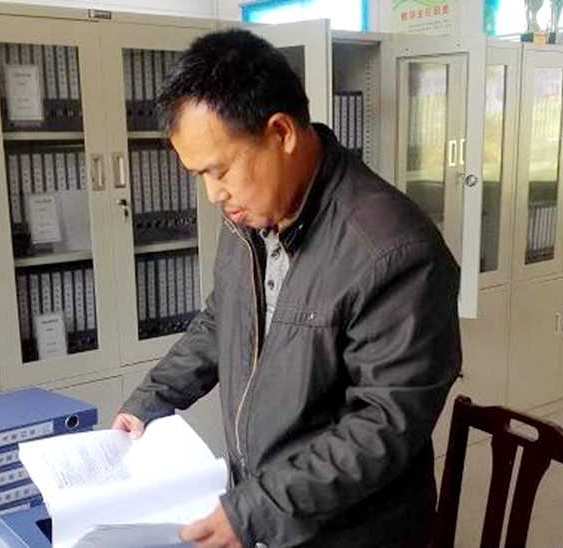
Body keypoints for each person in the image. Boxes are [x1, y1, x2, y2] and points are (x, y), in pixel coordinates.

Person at [113, 29, 462, 548]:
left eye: (219, 170)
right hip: (272, 514)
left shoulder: (391, 250)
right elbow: (223, 319)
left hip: (351, 534)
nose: (213, 194)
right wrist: (150, 400)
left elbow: (384, 424)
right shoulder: (252, 215)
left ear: (280, 132)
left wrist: (257, 509)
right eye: (200, 175)